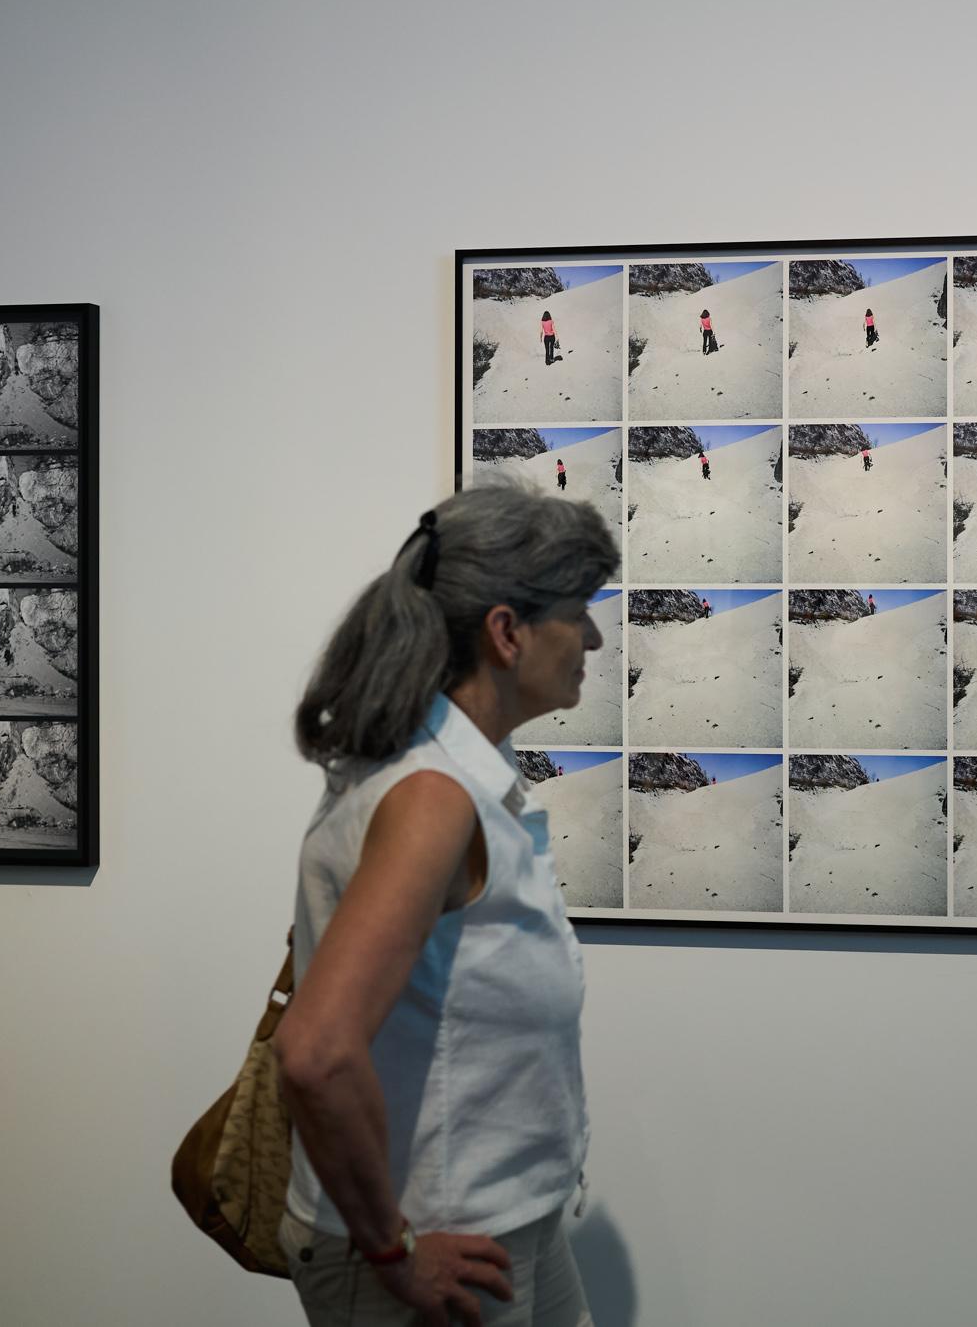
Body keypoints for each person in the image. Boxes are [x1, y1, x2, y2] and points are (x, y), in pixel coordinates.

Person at [273, 476, 619, 1327]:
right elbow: (315, 1051)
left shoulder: (449, 776)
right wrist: (390, 1249)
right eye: (577, 613)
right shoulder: (432, 796)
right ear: (507, 631)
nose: (595, 638)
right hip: (437, 1239)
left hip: (504, 1221)